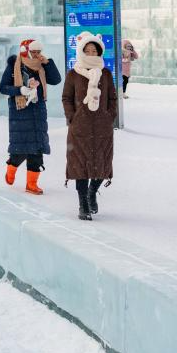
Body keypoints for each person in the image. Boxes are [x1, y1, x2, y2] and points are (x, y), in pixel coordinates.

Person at [62, 32, 118, 221]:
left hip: (102, 128)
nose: (91, 53)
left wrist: (109, 116)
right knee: (80, 166)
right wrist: (72, 117)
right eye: (88, 50)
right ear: (81, 51)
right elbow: (66, 98)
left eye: (95, 50)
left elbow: (112, 98)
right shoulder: (73, 73)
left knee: (102, 163)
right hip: (80, 128)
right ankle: (82, 203)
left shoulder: (106, 73)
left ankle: (92, 192)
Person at [0, 39, 62, 195]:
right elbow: (2, 88)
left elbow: (56, 80)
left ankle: (32, 184)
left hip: (38, 109)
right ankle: (11, 169)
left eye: (38, 52)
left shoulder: (41, 66)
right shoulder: (15, 66)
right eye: (33, 52)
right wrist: (20, 89)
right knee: (20, 149)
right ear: (25, 51)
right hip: (20, 110)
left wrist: (47, 63)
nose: (36, 55)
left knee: (37, 148)